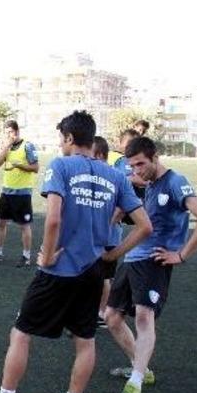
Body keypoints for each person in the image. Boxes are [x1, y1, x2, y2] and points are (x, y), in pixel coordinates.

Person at [0, 110, 151, 393]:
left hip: (59, 271)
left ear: (69, 139)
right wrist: (113, 256)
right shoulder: (115, 175)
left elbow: (53, 218)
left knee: (21, 333)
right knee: (85, 341)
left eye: (62, 138)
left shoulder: (61, 165)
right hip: (94, 271)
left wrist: (49, 254)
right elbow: (144, 226)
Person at [105, 136, 197, 393]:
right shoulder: (148, 182)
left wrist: (180, 255)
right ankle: (140, 367)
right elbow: (133, 192)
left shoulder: (176, 181)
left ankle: (136, 382)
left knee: (143, 316)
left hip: (155, 260)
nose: (137, 170)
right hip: (132, 257)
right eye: (132, 166)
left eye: (141, 163)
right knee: (112, 318)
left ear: (155, 157)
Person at [0, 120, 38, 266]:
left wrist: (20, 165)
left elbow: (35, 167)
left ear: (17, 132)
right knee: (0, 222)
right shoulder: (6, 147)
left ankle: (26, 256)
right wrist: (6, 147)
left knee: (24, 225)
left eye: (10, 132)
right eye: (6, 132)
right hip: (6, 191)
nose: (8, 135)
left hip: (22, 193)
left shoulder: (27, 145)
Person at [92, 136, 116, 327]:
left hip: (108, 237)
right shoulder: (95, 175)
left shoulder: (112, 176)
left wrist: (106, 223)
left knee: (104, 277)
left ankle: (102, 313)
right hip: (95, 236)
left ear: (100, 155)